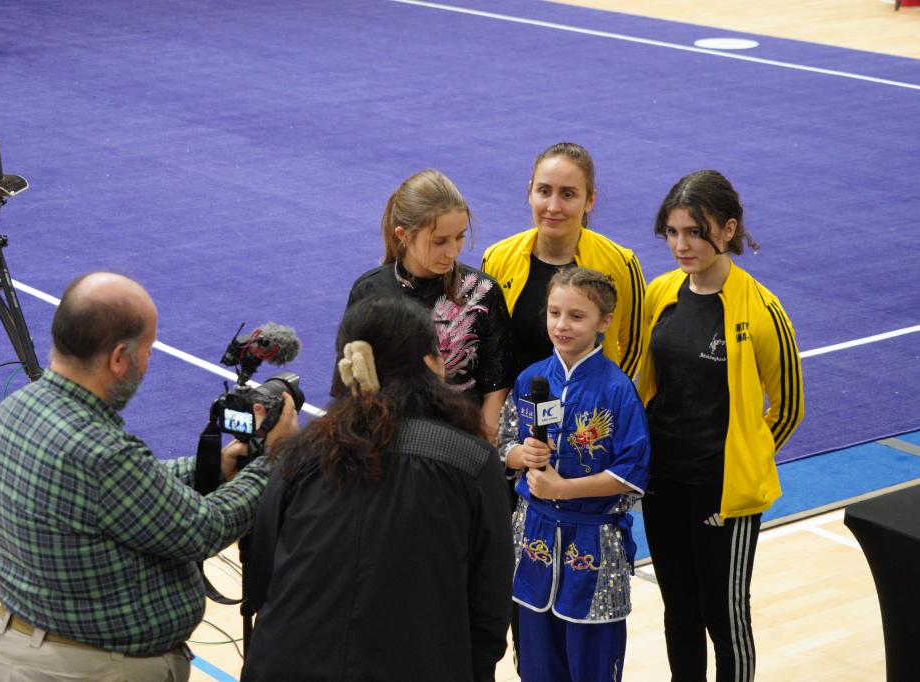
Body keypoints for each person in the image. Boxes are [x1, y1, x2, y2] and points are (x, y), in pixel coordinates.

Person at [0, 272, 299, 682]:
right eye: (147, 350)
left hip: (26, 647)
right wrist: (274, 458)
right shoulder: (102, 454)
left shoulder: (18, 408)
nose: (147, 363)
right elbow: (206, 528)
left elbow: (130, 488)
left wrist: (214, 467)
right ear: (117, 358)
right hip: (89, 670)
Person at [244, 295, 514, 682]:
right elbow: (489, 607)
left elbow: (262, 576)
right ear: (431, 364)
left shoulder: (301, 455)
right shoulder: (471, 461)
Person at [636, 170, 805, 682]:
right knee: (679, 611)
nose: (681, 245)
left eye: (695, 232)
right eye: (672, 232)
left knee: (725, 617)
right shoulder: (660, 293)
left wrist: (742, 458)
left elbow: (788, 407)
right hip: (662, 484)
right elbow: (646, 382)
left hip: (722, 492)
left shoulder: (762, 310)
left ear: (728, 229)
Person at [498, 266, 650, 682]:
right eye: (554, 313)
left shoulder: (617, 390)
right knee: (536, 665)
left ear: (604, 322)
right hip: (533, 539)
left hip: (594, 544)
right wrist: (520, 454)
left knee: (592, 665)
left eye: (576, 316)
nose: (561, 325)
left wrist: (563, 489)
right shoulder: (530, 379)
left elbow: (631, 473)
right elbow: (503, 443)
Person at [332, 168, 512, 442]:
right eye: (439, 241)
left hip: (462, 439)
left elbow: (496, 384)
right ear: (404, 235)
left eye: (460, 236)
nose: (453, 251)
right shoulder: (370, 292)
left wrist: (482, 445)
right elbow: (348, 384)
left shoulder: (481, 291)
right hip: (389, 438)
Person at [482, 142, 646, 382]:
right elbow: (488, 344)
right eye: (544, 191)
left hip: (590, 404)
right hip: (516, 401)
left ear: (590, 200)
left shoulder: (621, 262)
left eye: (567, 194)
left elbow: (634, 347)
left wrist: (607, 395)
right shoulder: (497, 258)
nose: (553, 207)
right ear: (530, 192)